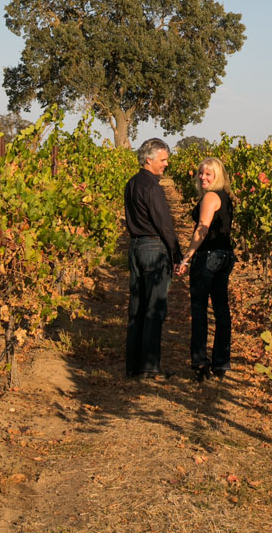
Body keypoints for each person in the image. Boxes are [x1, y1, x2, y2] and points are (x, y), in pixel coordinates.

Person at [124, 137, 182, 379]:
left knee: (137, 307)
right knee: (154, 308)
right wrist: (176, 253)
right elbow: (163, 223)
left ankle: (132, 365)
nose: (166, 164)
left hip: (135, 247)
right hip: (153, 249)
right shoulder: (153, 187)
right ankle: (149, 366)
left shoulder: (131, 183)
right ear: (149, 160)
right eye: (163, 160)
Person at [175, 157, 234, 382]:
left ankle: (200, 362)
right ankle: (221, 362)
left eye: (208, 174)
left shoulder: (210, 197)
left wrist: (187, 257)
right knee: (221, 309)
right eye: (201, 173)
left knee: (199, 310)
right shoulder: (226, 198)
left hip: (208, 257)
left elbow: (202, 229)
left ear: (218, 175)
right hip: (225, 256)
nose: (203, 177)